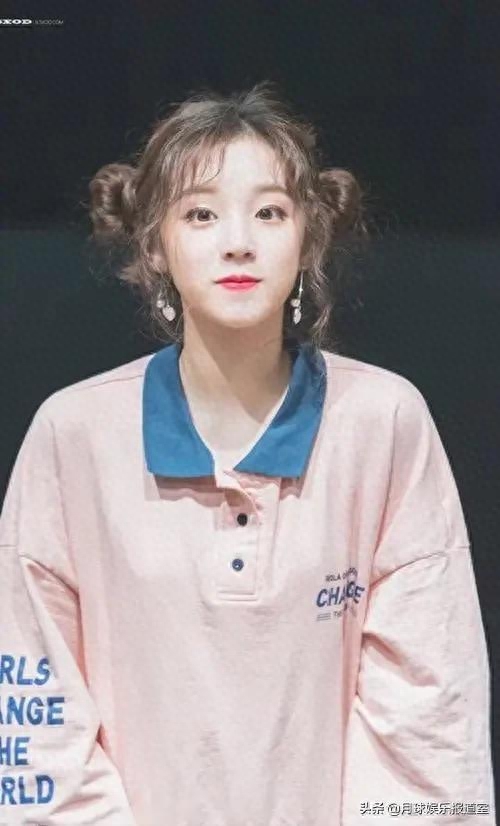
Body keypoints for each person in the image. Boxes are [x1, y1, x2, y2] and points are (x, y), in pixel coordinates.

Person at [0, 82, 495, 825]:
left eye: (269, 212)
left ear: (307, 238)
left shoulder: (382, 422)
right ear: (155, 244)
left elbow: (430, 712)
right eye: (201, 214)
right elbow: (36, 720)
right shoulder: (73, 435)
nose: (238, 241)